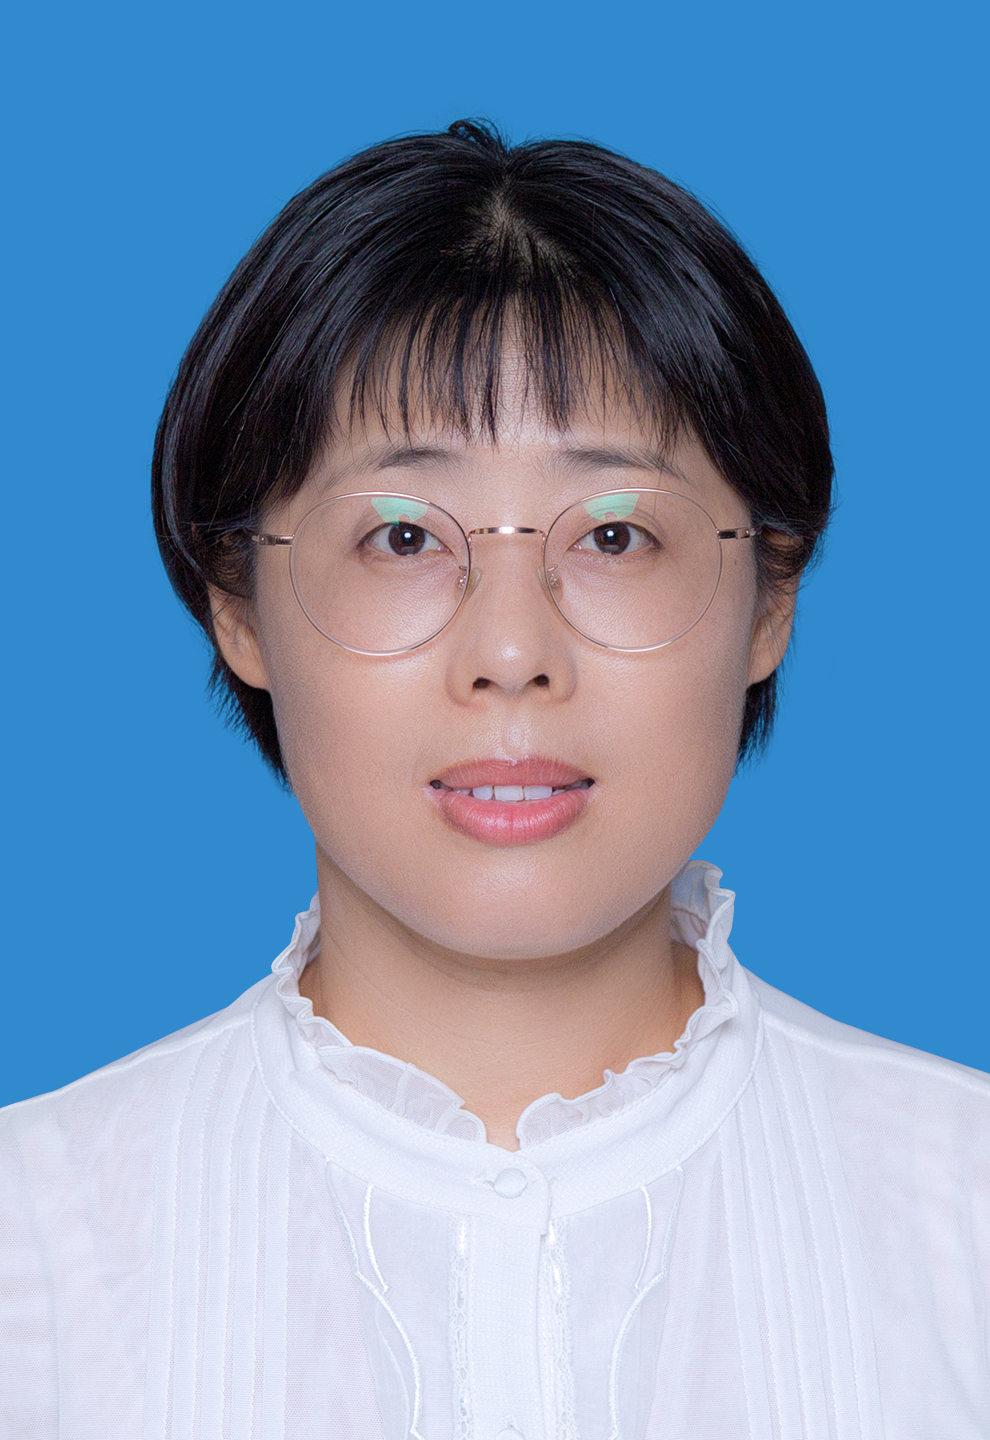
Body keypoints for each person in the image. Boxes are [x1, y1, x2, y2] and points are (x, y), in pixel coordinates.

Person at [1, 119, 987, 1440]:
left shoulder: (964, 1217)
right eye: (404, 537)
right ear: (236, 601)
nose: (512, 652)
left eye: (615, 535)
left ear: (770, 597)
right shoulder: (36, 1244)